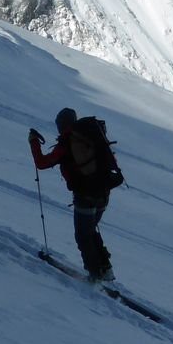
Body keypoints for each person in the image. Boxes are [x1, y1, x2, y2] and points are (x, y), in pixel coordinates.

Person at [30, 108, 120, 282]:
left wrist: (34, 142)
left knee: (82, 235)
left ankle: (95, 276)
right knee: (90, 230)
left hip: (85, 195)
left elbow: (42, 163)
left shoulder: (66, 143)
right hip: (104, 193)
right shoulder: (91, 136)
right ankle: (105, 269)